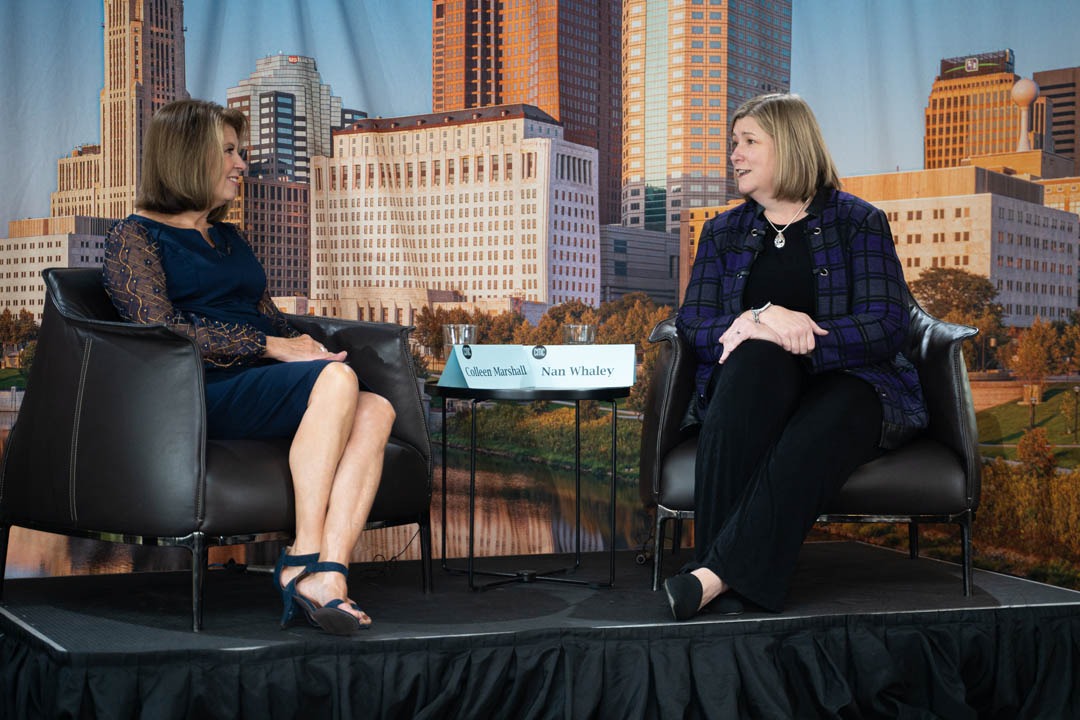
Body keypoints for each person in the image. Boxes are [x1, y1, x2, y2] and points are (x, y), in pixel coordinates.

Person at [103, 99, 394, 635]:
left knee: (376, 408)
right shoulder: (135, 237)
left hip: (254, 377)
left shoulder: (231, 238)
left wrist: (301, 341)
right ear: (189, 157)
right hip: (194, 390)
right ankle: (301, 557)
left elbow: (265, 315)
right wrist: (272, 348)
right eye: (231, 152)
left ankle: (330, 573)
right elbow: (161, 331)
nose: (242, 165)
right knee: (338, 383)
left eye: (242, 152)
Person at [666, 93, 927, 621]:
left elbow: (887, 322)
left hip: (856, 381)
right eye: (733, 143)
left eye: (748, 142)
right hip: (756, 384)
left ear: (788, 146)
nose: (734, 155)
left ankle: (712, 575)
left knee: (823, 416)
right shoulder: (722, 232)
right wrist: (757, 321)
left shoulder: (859, 222)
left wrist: (801, 337)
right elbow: (693, 324)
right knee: (752, 364)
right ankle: (726, 577)